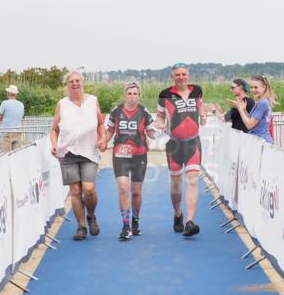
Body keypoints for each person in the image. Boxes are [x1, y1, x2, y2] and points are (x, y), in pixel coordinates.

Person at [49, 72, 106, 241]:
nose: (75, 84)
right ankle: (81, 226)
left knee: (89, 189)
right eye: (71, 81)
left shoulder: (93, 101)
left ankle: (91, 216)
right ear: (67, 85)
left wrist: (103, 138)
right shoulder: (62, 104)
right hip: (67, 153)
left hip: (89, 152)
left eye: (77, 80)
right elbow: (54, 129)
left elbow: (101, 124)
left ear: (82, 83)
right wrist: (54, 144)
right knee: (75, 191)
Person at [156, 63, 208, 237]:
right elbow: (160, 115)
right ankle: (178, 214)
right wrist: (159, 123)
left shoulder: (197, 91)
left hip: (193, 143)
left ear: (188, 75)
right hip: (175, 145)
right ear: (172, 77)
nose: (181, 77)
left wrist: (203, 115)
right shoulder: (165, 94)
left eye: (183, 74)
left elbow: (200, 105)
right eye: (177, 74)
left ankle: (190, 222)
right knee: (176, 183)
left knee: (192, 181)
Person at [105, 81, 156, 240]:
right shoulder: (116, 111)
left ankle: (135, 220)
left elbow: (151, 132)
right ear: (125, 95)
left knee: (136, 191)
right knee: (122, 188)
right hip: (120, 154)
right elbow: (110, 130)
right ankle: (125, 225)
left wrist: (158, 131)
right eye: (129, 93)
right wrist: (103, 141)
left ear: (139, 96)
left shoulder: (144, 112)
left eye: (135, 94)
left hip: (139, 155)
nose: (132, 96)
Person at [230, 75, 276, 144]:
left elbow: (249, 125)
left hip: (260, 141)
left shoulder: (262, 103)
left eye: (256, 87)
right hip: (261, 140)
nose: (253, 90)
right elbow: (251, 120)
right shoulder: (264, 102)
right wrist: (244, 110)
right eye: (251, 87)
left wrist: (239, 108)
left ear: (264, 88)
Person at [0, 85, 25, 151]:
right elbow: (21, 117)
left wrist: (4, 116)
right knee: (16, 155)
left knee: (5, 155)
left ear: (8, 93)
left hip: (7, 132)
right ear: (16, 94)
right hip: (17, 132)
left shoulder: (4, 103)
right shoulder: (21, 104)